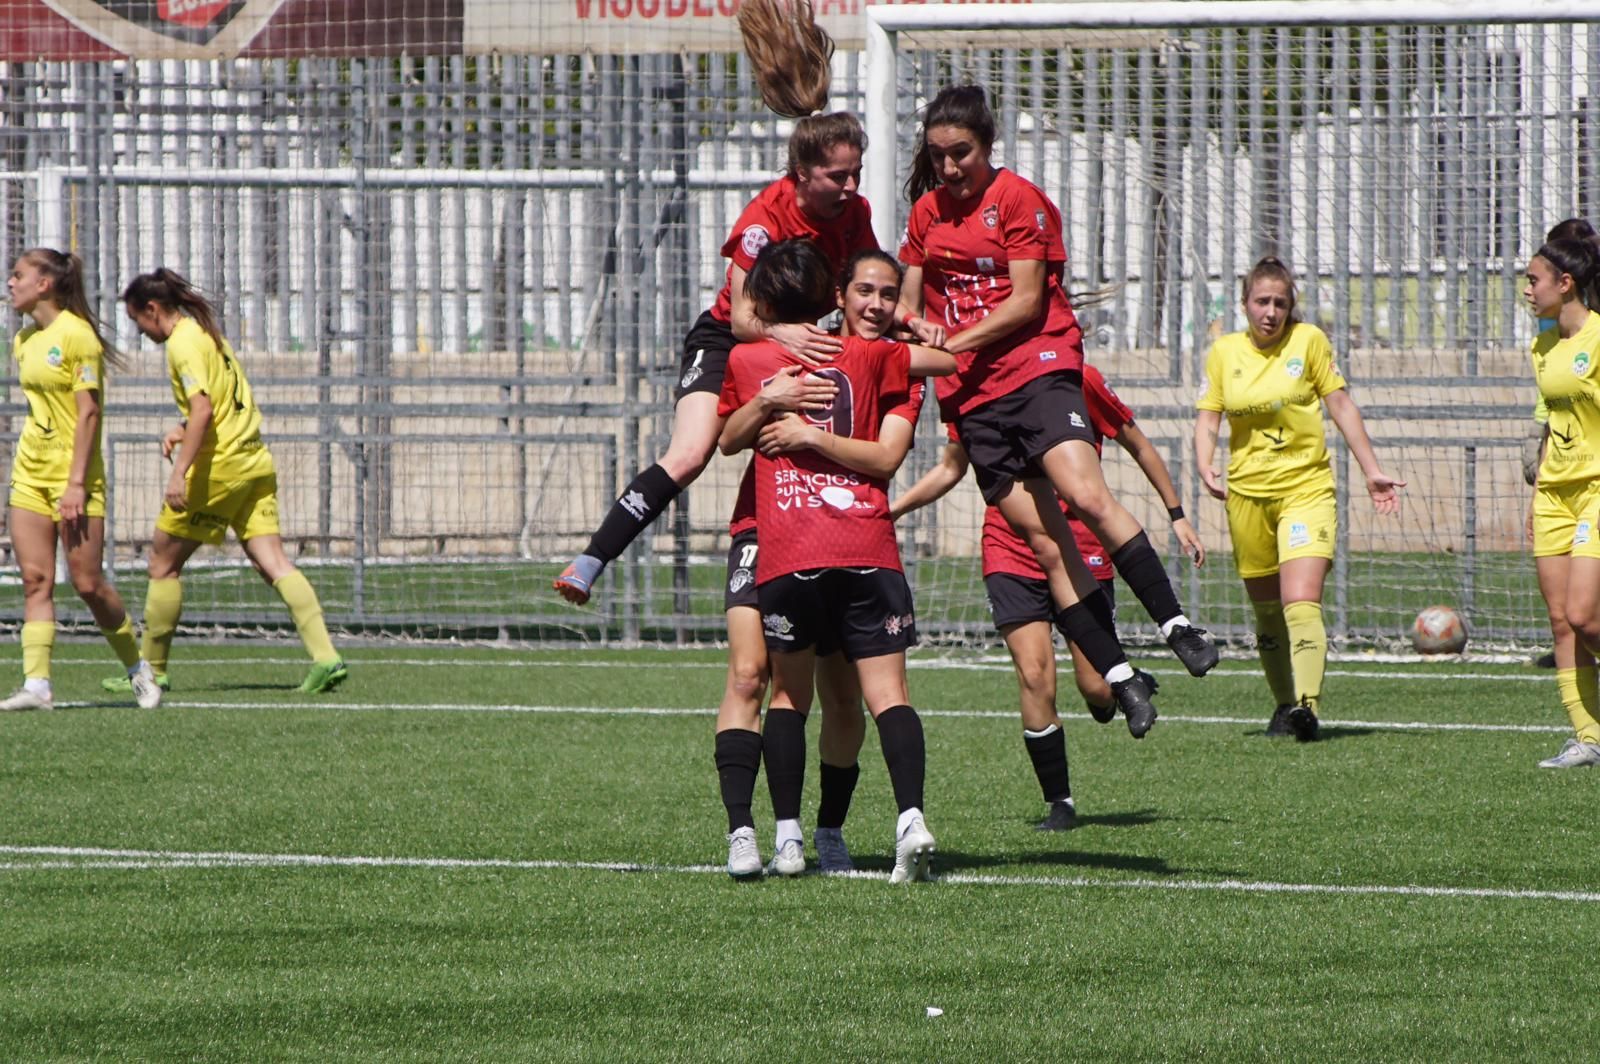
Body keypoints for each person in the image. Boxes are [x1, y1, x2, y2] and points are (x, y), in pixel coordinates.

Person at [552, 0, 942, 607]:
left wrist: (917, 323)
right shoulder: (765, 216)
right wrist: (784, 337)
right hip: (733, 340)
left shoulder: (855, 213)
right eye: (838, 175)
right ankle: (590, 560)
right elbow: (740, 317)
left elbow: (873, 284)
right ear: (802, 172)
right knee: (687, 456)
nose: (850, 186)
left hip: (807, 343)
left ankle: (816, 578)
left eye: (855, 173)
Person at [894, 84, 1211, 739]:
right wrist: (902, 326)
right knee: (1046, 543)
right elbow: (910, 301)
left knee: (1086, 494)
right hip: (975, 399)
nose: (950, 167)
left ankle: (1176, 624)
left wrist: (946, 342)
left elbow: (1026, 302)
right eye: (940, 155)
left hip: (1038, 368)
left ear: (988, 146)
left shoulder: (1017, 200)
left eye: (963, 153)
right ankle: (1123, 680)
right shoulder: (925, 215)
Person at [718, 238, 956, 883]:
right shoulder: (869, 359)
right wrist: (771, 396)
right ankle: (881, 821)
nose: (878, 305)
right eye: (866, 292)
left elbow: (885, 453)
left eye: (889, 294)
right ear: (835, 297)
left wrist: (802, 426)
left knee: (817, 699)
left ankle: (810, 834)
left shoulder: (771, 354)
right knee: (858, 695)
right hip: (832, 545)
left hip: (808, 548)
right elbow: (951, 354)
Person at [892, 362, 1203, 828]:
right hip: (1010, 551)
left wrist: (1177, 513)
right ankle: (1060, 802)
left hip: (1080, 551)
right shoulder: (968, 387)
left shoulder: (1075, 378)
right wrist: (891, 509)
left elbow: (1137, 442)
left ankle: (1123, 679)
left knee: (1096, 689)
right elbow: (952, 467)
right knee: (1035, 675)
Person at [1193, 256, 1403, 741]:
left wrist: (1372, 471)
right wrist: (1205, 462)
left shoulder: (1309, 342)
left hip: (1305, 489)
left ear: (1292, 307)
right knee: (1266, 611)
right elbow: (1208, 418)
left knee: (1300, 601)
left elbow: (1341, 403)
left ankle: (1308, 707)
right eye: (1262, 301)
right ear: (1245, 304)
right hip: (1247, 496)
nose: (1271, 312)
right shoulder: (1224, 352)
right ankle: (1284, 705)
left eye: (1280, 303)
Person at [107, 269, 346, 695]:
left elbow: (204, 411)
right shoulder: (205, 333)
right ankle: (326, 658)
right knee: (273, 562)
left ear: (152, 309)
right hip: (254, 460)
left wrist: (179, 473)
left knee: (163, 563)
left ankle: (152, 673)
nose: (139, 332)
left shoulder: (181, 345)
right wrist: (182, 428)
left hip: (221, 469)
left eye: (136, 321)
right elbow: (218, 402)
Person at [1, 249, 162, 710]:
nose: (10, 283)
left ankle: (137, 668)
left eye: (18, 275)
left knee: (88, 584)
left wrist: (75, 485)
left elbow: (88, 412)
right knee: (35, 579)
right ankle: (37, 685)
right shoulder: (25, 340)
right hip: (30, 475)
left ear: (45, 284)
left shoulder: (78, 337)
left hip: (75, 479)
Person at [1522, 238, 1600, 767]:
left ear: (1564, 283)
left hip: (1597, 488)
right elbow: (1553, 423)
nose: (1527, 290)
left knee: (1586, 616)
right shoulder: (1542, 346)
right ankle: (1589, 737)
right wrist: (1536, 495)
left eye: (1534, 280)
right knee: (1560, 622)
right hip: (1553, 494)